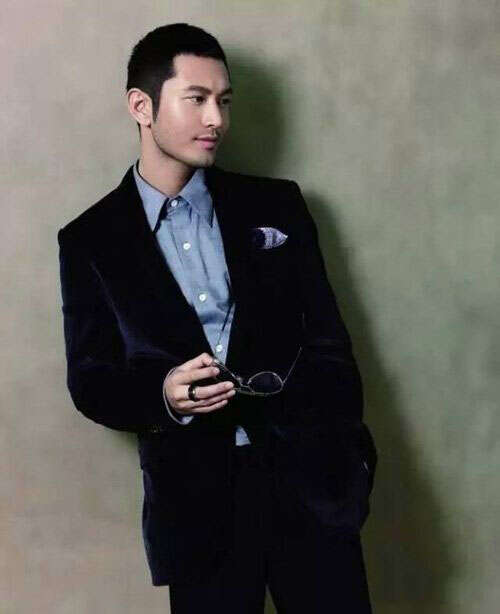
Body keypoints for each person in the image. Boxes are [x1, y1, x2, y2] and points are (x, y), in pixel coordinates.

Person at [57, 22, 377, 613]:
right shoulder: (90, 240)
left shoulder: (278, 205)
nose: (217, 120)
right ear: (142, 107)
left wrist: (346, 459)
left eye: (224, 101)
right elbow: (90, 378)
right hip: (197, 505)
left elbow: (330, 342)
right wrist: (163, 395)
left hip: (310, 486)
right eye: (197, 99)